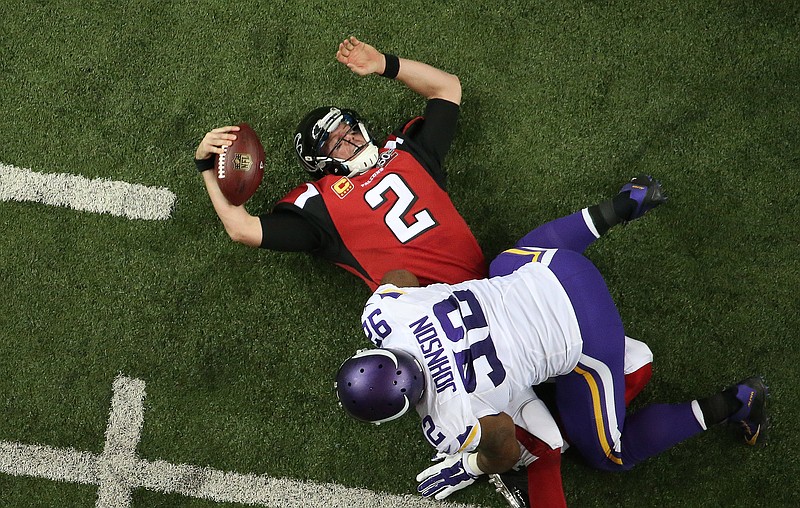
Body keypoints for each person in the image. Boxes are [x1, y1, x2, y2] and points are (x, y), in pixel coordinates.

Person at [335, 175, 768, 506]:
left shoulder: (450, 418)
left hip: (588, 330)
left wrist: (471, 462)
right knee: (502, 263)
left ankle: (739, 401)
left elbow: (503, 444)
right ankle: (627, 202)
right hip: (552, 265)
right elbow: (400, 279)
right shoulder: (382, 314)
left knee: (610, 455)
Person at [193, 37, 485, 290]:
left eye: (350, 129)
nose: (350, 139)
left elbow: (447, 88)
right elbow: (241, 228)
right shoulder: (321, 204)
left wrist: (384, 63)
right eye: (334, 142)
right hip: (435, 316)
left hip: (488, 284)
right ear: (321, 163)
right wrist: (207, 165)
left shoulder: (406, 151)